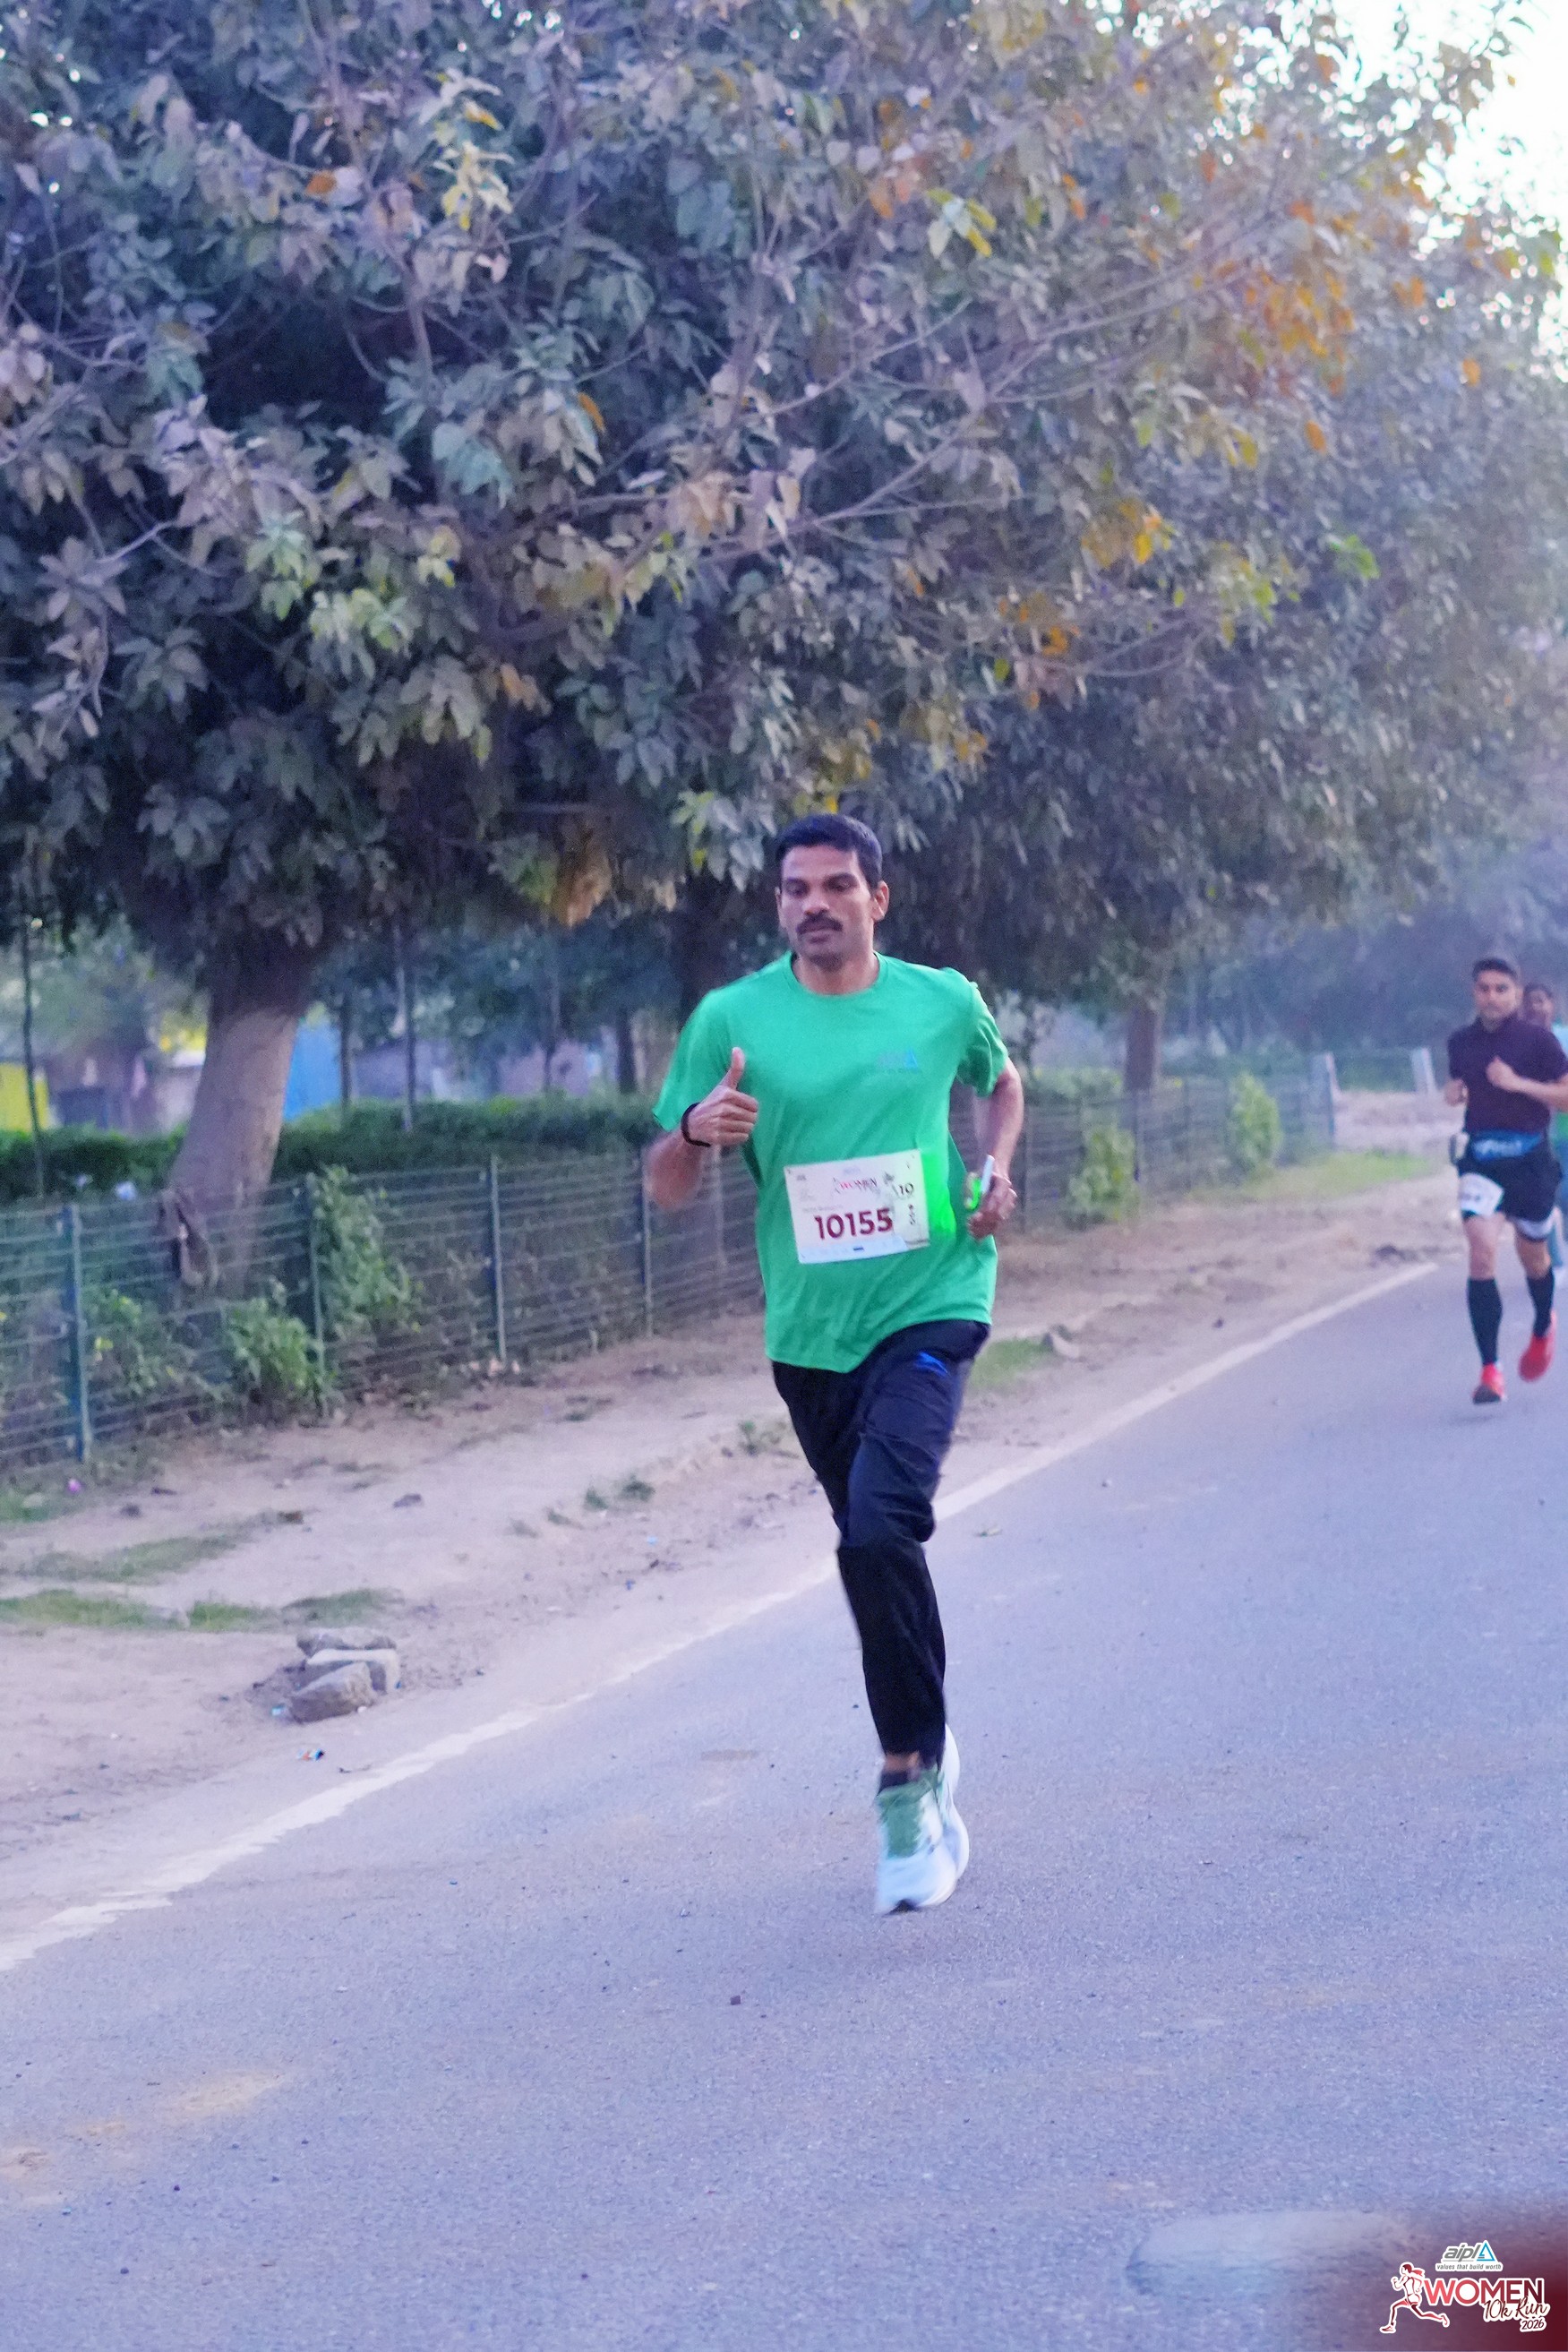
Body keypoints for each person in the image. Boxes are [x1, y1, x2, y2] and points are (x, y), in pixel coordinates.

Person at [644, 812, 1024, 1912]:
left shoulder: (939, 1001)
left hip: (934, 1300)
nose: (813, 903)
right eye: (795, 888)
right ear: (779, 905)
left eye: (835, 885)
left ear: (876, 899)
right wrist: (695, 1132)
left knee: (878, 1526)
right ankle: (929, 1732)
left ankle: (904, 1783)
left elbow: (1000, 1083)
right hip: (810, 1339)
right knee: (871, 1547)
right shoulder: (732, 1020)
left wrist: (992, 1169)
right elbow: (663, 1186)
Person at [1444, 956, 1568, 1403]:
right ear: (1474, 993)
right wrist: (1453, 1091)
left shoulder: (1539, 1041)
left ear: (1516, 994)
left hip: (1530, 1161)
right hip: (1481, 1160)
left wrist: (1519, 1084)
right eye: (1484, 989)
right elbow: (1460, 1086)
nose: (1492, 997)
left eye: (1501, 989)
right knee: (1481, 1253)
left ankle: (1542, 1325)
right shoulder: (1460, 1042)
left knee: (1534, 1258)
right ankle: (1490, 1371)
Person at [1521, 979, 1568, 1270]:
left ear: (1552, 1004)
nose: (1536, 1007)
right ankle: (1553, 1262)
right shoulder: (1518, 1043)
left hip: (1565, 1130)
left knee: (1564, 1194)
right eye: (1529, 1002)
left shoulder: (1565, 1038)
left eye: (1541, 1001)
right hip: (1532, 1132)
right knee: (1542, 1198)